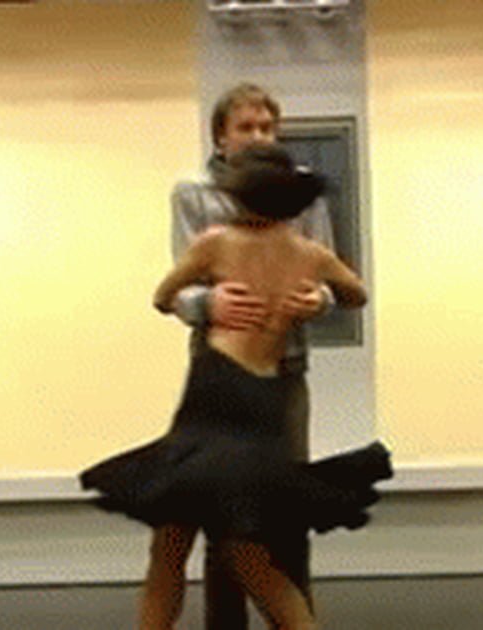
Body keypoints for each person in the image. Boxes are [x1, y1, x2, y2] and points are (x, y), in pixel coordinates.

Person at [80, 145, 391, 630]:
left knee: (171, 544)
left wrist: (211, 298)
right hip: (266, 402)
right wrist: (316, 298)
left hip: (214, 393)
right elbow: (357, 292)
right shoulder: (309, 254)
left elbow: (163, 296)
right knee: (250, 555)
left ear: (241, 197)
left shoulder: (216, 243)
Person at [170, 82, 336, 629]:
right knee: (225, 519)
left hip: (286, 371)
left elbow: (332, 279)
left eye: (267, 127)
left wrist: (318, 299)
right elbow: (174, 291)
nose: (259, 136)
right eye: (246, 127)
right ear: (221, 137)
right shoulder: (193, 194)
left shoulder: (303, 196)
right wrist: (207, 302)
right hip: (220, 375)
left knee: (288, 512)